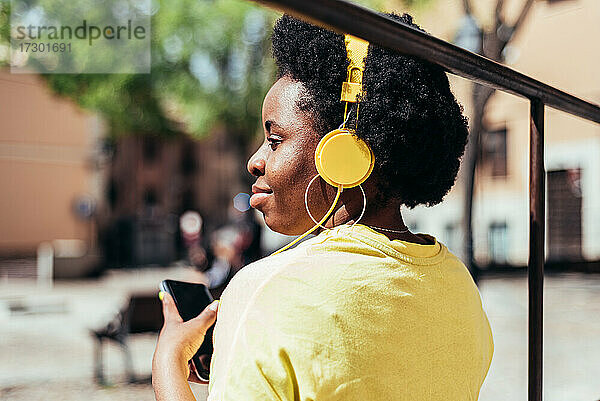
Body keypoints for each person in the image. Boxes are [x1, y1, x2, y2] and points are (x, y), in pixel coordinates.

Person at [152, 13, 493, 401]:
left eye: (275, 140)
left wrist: (169, 365)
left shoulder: (266, 293)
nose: (255, 160)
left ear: (343, 154)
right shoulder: (459, 284)